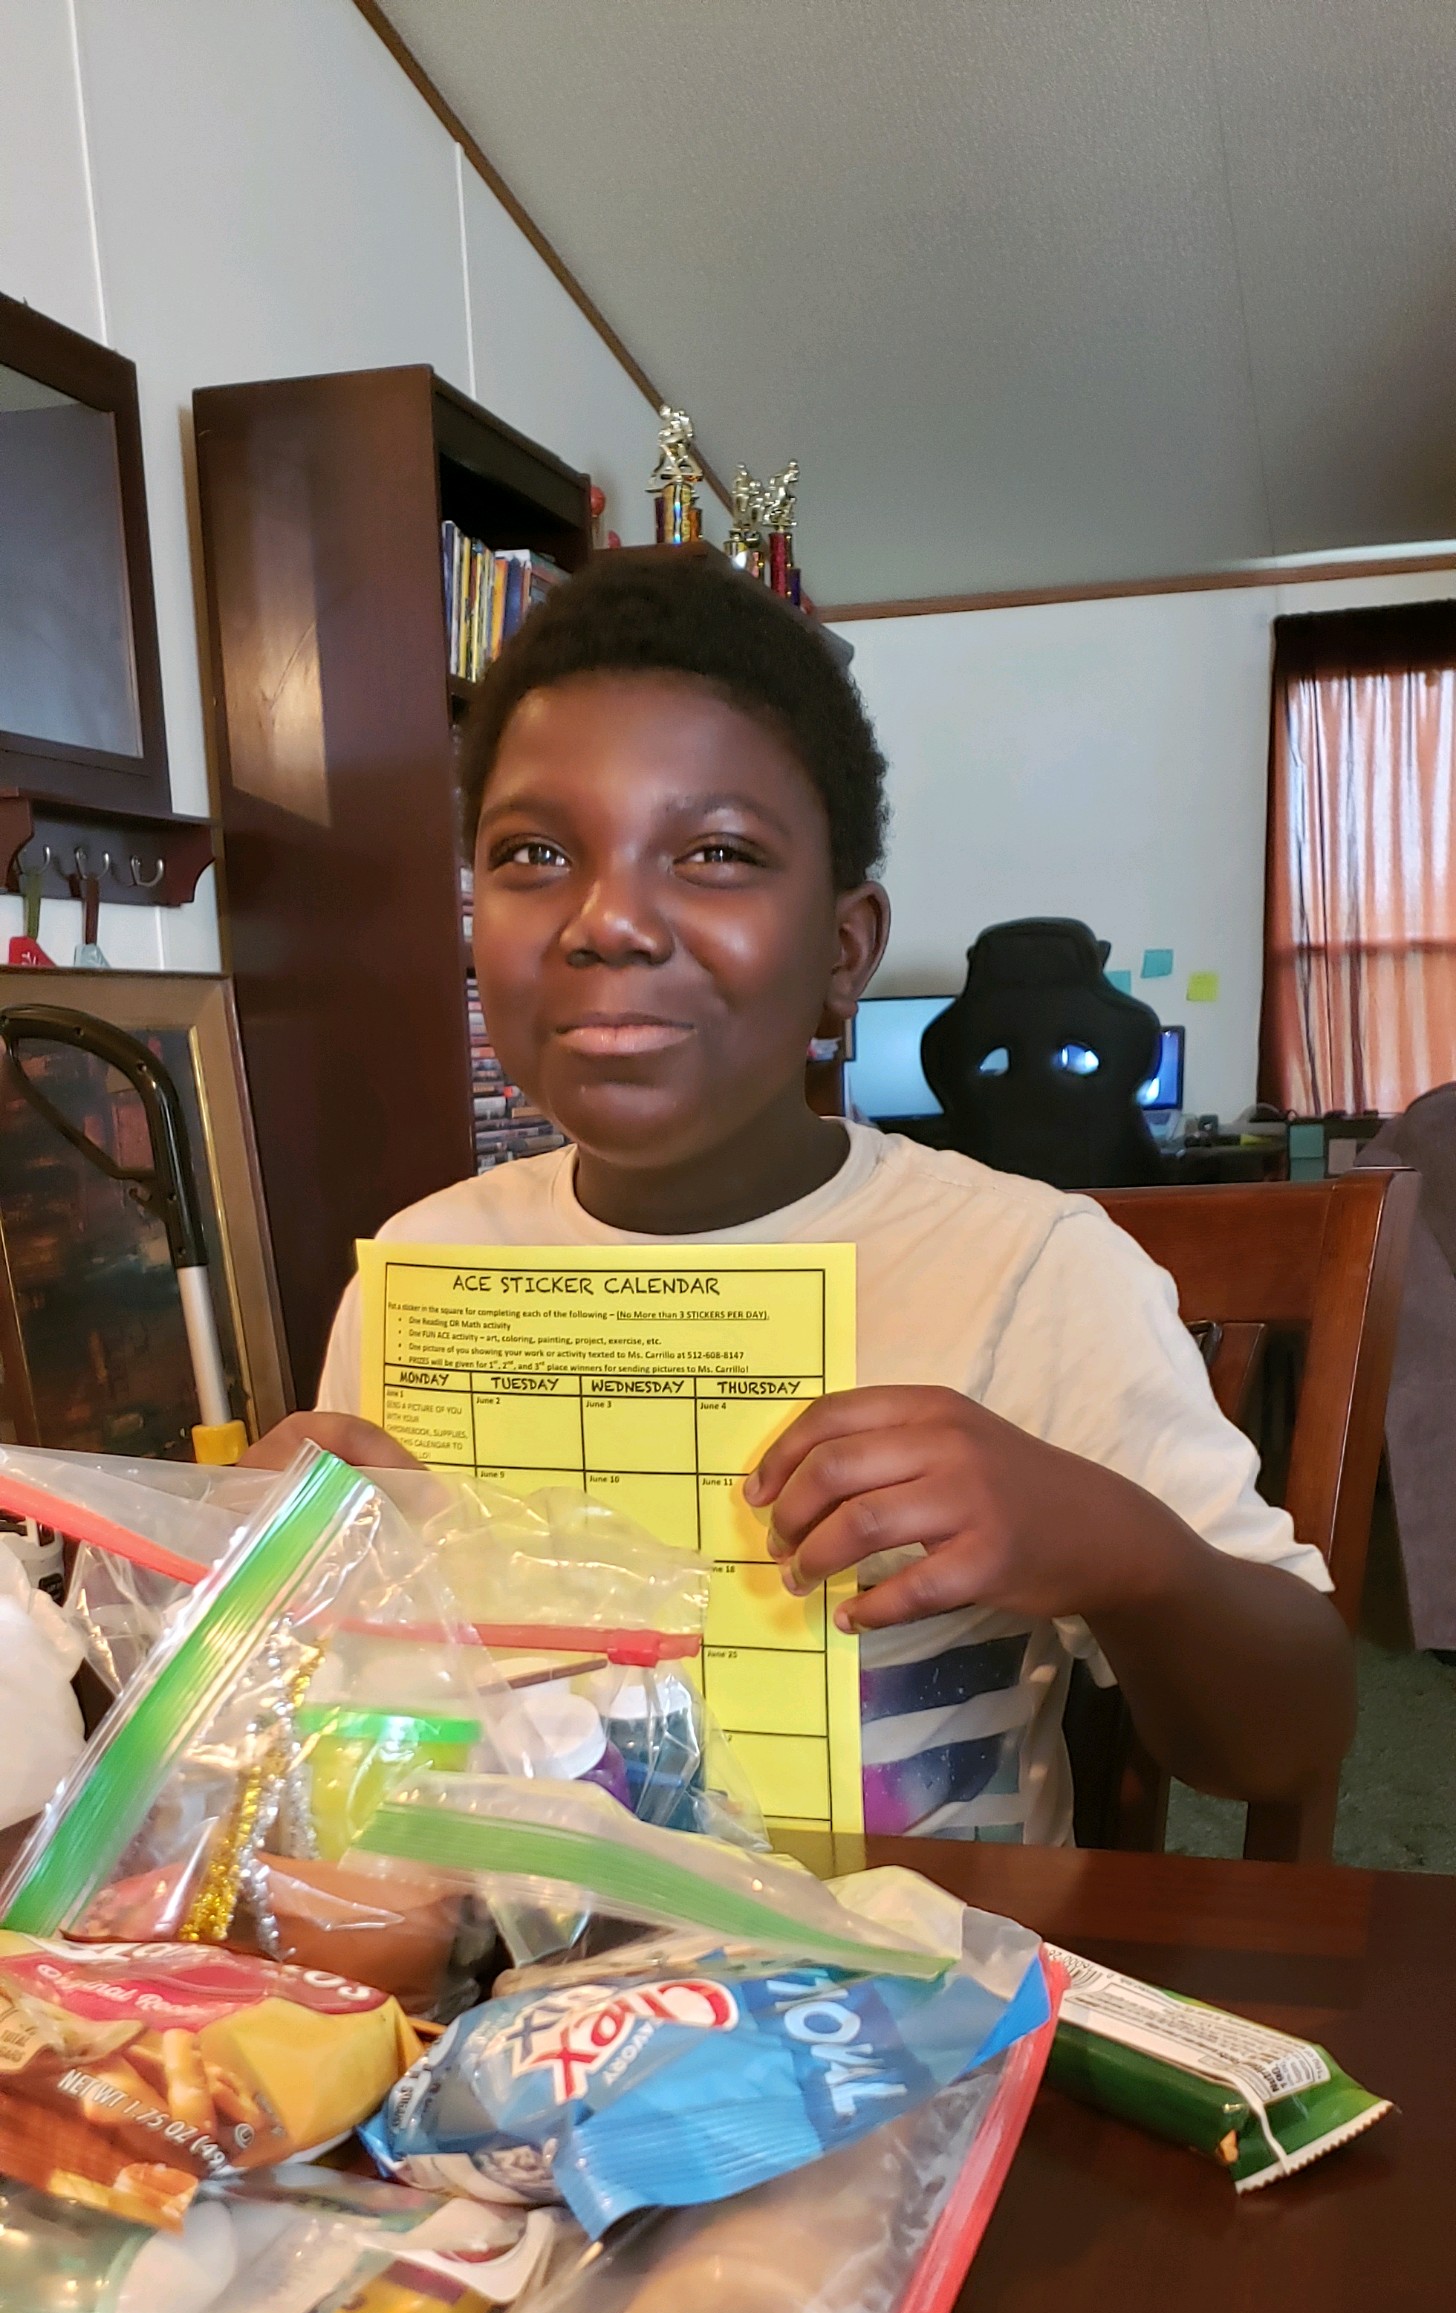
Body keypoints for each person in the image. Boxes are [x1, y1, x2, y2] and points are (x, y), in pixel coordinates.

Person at [246, 553, 1353, 1841]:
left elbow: (1288, 1739)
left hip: (911, 2003)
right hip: (514, 1997)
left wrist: (1117, 1546)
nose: (608, 922)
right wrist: (265, 1572)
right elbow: (358, 1722)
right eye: (533, 851)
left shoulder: (1033, 1268)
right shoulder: (419, 1271)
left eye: (716, 852)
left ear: (844, 951)